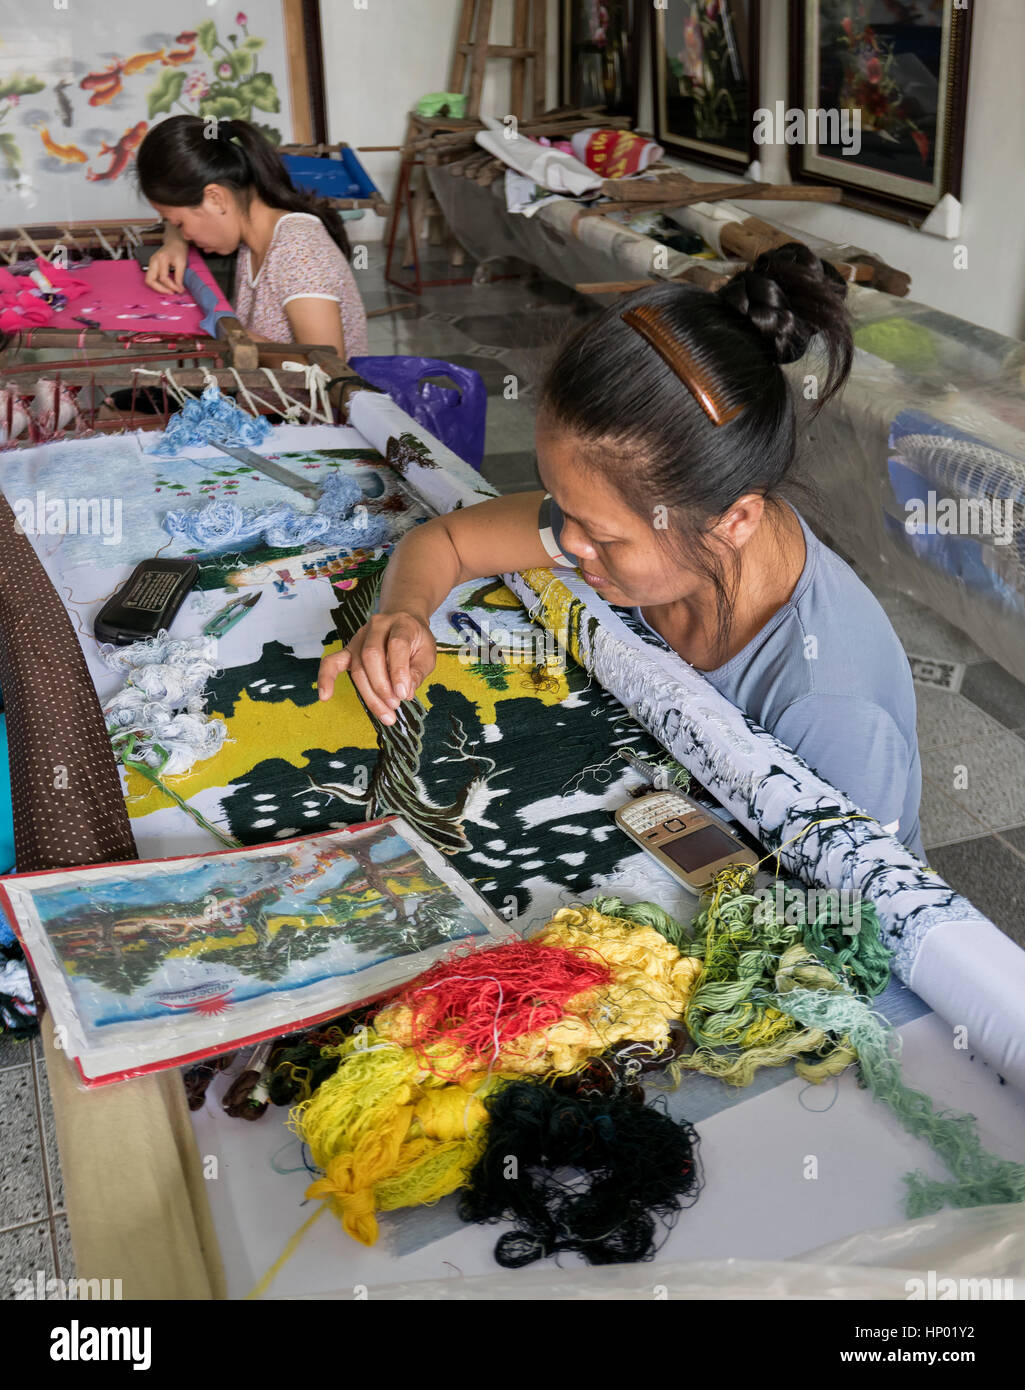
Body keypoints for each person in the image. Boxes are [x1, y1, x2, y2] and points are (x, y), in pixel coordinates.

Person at [318, 243, 925, 861]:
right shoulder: (672, 523)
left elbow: (843, 923)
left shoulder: (829, 704)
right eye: (562, 506)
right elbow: (445, 539)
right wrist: (402, 614)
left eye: (603, 537)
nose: (567, 542)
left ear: (733, 521)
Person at [137, 115, 368, 359]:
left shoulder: (299, 254)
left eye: (179, 223)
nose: (186, 234)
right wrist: (174, 241)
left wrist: (230, 333)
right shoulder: (253, 230)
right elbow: (185, 211)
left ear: (216, 198)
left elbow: (330, 372)